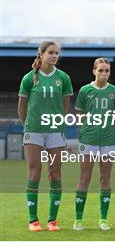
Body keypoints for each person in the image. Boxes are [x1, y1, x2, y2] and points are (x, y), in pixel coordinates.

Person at [18, 41, 73, 232]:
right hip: (33, 130)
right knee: (34, 172)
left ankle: (52, 221)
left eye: (57, 53)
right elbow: (21, 107)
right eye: (50, 53)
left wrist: (58, 122)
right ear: (41, 54)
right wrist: (29, 127)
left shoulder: (64, 77)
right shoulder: (29, 78)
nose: (54, 56)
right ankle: (33, 220)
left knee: (55, 173)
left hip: (55, 131)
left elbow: (65, 105)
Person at [73, 58, 115, 231]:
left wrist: (111, 126)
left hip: (108, 140)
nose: (104, 74)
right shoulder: (85, 90)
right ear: (94, 71)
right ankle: (78, 219)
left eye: (107, 71)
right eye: (100, 70)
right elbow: (79, 112)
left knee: (105, 178)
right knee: (84, 178)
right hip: (89, 140)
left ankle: (103, 219)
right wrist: (86, 128)